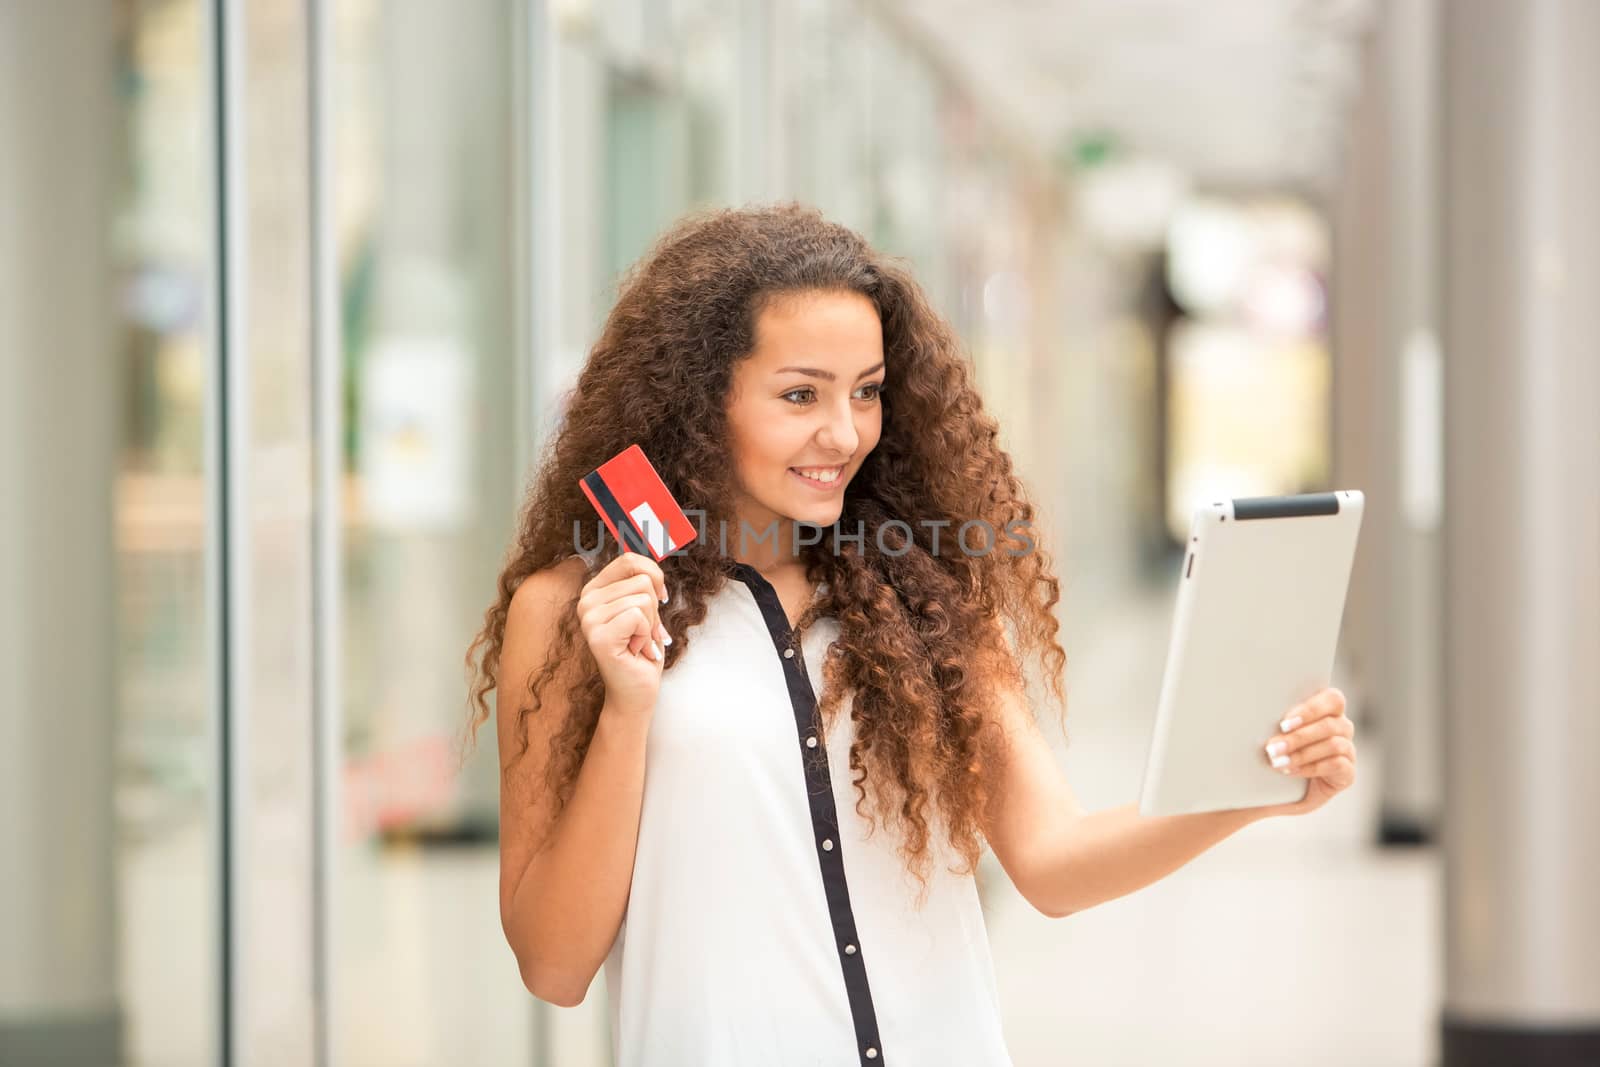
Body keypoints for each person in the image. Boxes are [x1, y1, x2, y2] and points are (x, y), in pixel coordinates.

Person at [462, 203, 1357, 1066]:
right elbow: (553, 964)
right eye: (799, 393)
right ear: (700, 400)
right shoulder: (577, 612)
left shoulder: (925, 595)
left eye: (867, 391)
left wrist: (1253, 786)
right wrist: (628, 708)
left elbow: (1054, 860)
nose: (842, 432)